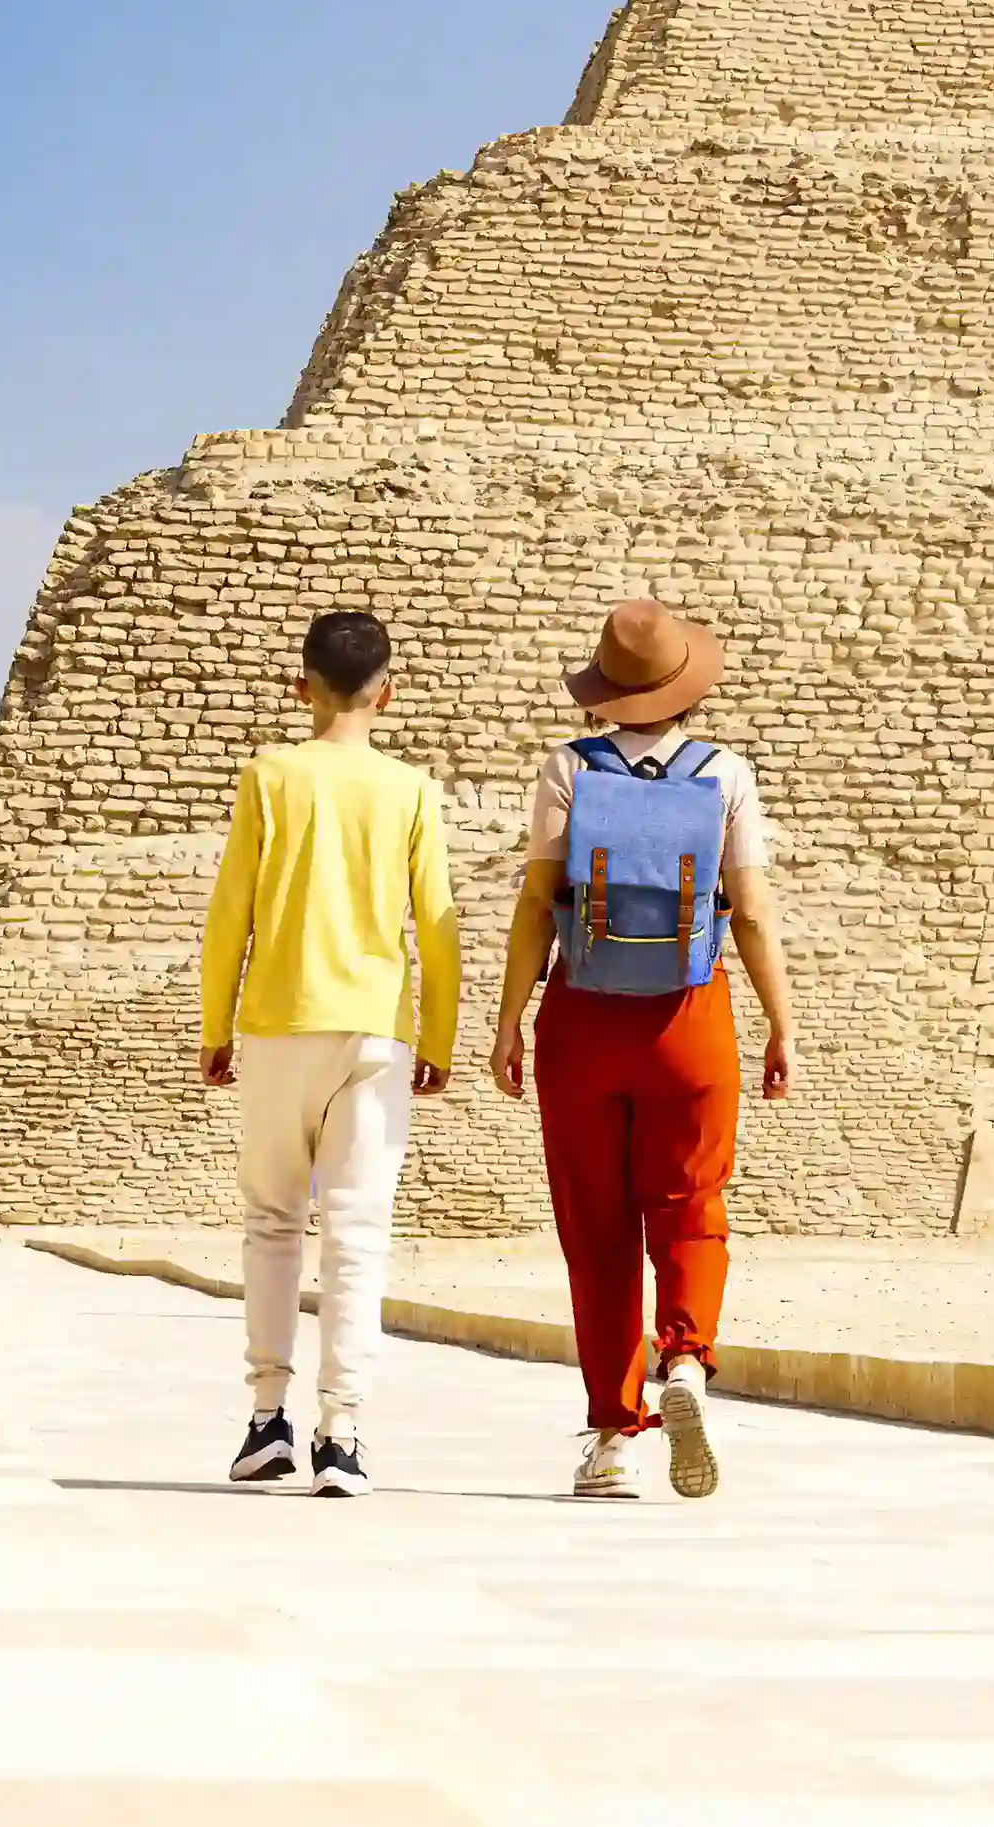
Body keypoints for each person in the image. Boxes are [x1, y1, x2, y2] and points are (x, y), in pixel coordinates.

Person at [489, 598, 797, 1500]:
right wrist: (780, 1022)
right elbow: (752, 912)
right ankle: (687, 1356)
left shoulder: (567, 768)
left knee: (597, 1229)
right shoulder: (725, 773)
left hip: (583, 1018)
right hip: (689, 1019)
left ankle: (613, 1435)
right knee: (691, 1205)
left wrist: (508, 1020)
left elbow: (535, 905)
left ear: (605, 690)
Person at [200, 607, 459, 1498]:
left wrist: (214, 1025)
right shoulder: (411, 789)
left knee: (273, 1223)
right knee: (357, 1232)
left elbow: (230, 912)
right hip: (376, 1030)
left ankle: (265, 1417)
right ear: (388, 692)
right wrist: (437, 1035)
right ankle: (341, 1434)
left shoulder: (269, 776)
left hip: (279, 1022)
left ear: (299, 684)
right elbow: (436, 925)